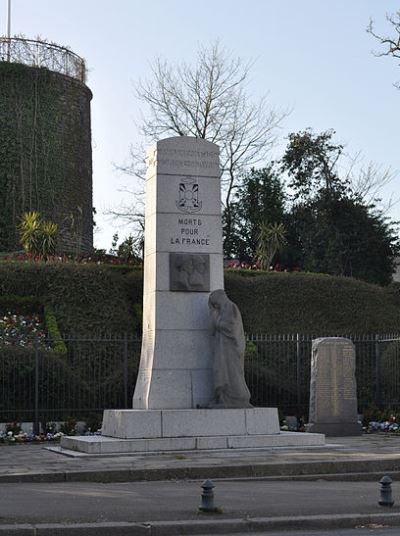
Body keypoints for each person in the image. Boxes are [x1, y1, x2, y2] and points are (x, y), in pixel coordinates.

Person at [208, 289, 252, 408]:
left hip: (230, 350)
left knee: (232, 373)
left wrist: (216, 321)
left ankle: (235, 397)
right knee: (220, 371)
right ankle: (222, 397)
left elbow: (230, 328)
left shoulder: (231, 308)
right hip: (222, 348)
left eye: (215, 303)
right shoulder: (222, 310)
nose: (215, 306)